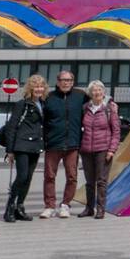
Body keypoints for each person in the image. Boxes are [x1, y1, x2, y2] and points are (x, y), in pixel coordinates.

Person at [40, 69, 84, 218]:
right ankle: (49, 206)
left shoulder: (80, 96)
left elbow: (99, 97)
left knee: (72, 176)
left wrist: (110, 104)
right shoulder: (48, 97)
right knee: (49, 176)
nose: (66, 83)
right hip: (53, 144)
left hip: (72, 144)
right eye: (63, 80)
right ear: (58, 82)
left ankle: (65, 205)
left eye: (69, 80)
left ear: (73, 82)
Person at [3, 75, 47, 223]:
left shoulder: (43, 104)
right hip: (22, 145)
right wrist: (10, 150)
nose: (39, 89)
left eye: (41, 86)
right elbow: (12, 127)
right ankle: (9, 207)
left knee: (28, 178)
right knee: (21, 176)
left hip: (35, 145)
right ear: (30, 88)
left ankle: (19, 207)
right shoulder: (22, 104)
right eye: (36, 86)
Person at [79, 80, 120, 218]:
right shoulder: (85, 108)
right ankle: (89, 208)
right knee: (89, 182)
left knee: (101, 181)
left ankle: (100, 209)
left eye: (99, 90)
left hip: (103, 150)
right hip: (86, 150)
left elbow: (116, 132)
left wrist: (111, 150)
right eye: (94, 91)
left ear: (103, 93)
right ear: (90, 94)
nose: (96, 93)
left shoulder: (109, 109)